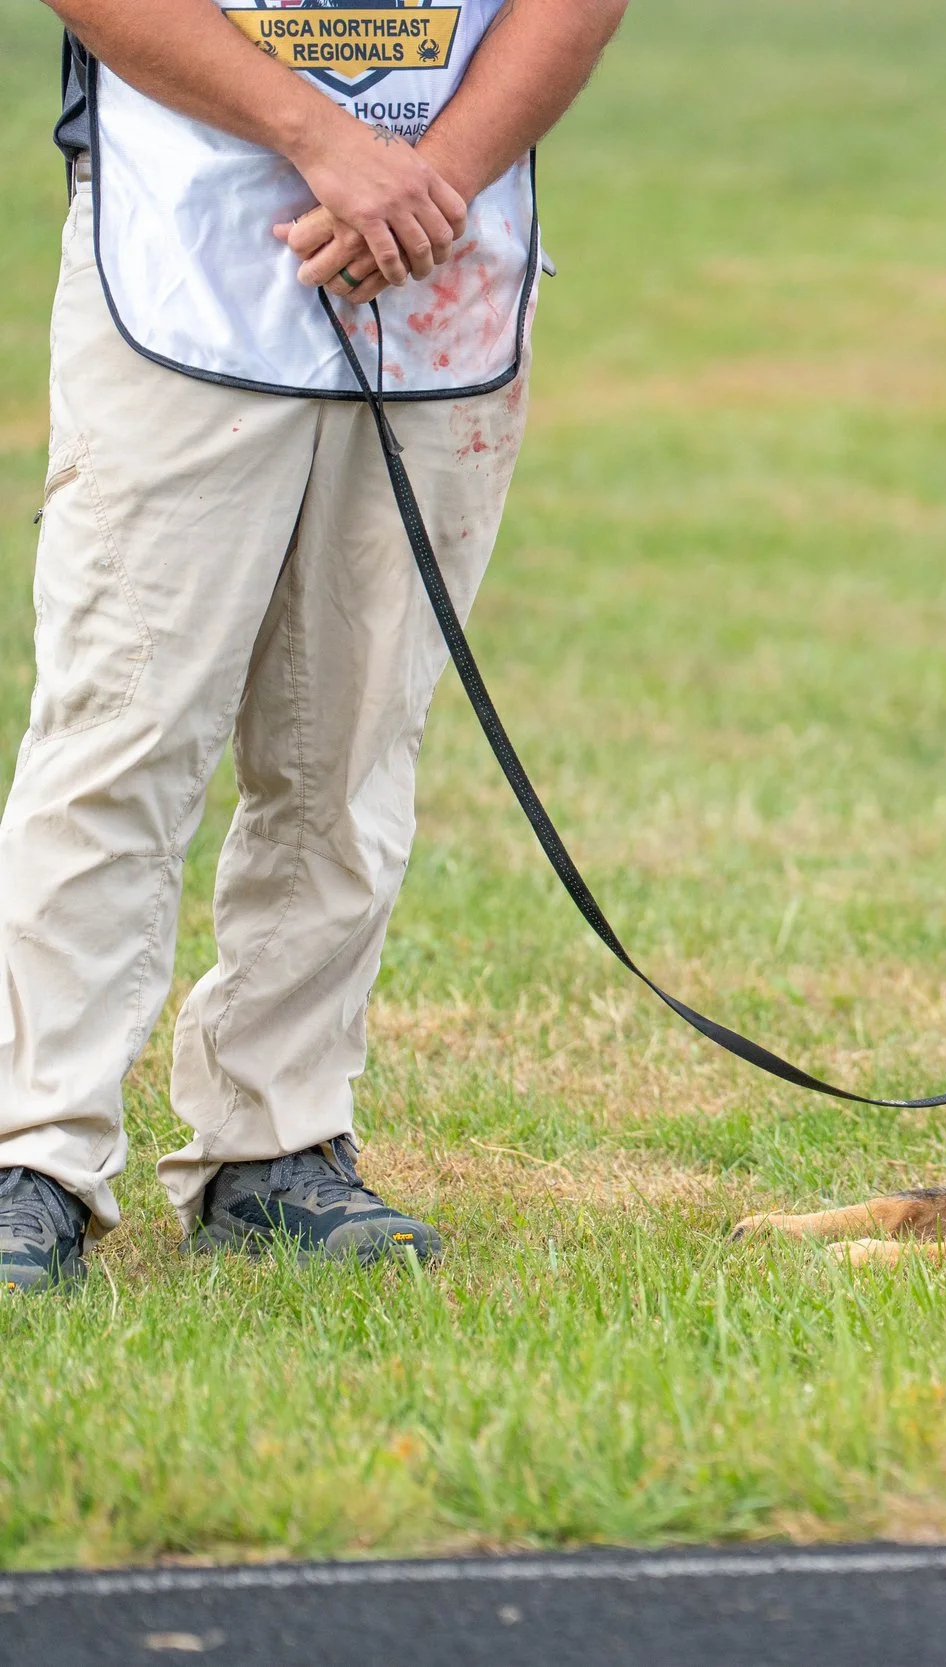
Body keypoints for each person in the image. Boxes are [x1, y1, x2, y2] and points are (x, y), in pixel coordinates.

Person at [0, 0, 630, 1294]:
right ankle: (35, 1152)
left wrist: (432, 174)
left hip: (441, 258)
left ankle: (274, 1144)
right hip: (188, 244)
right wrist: (323, 140)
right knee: (123, 729)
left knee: (347, 745)